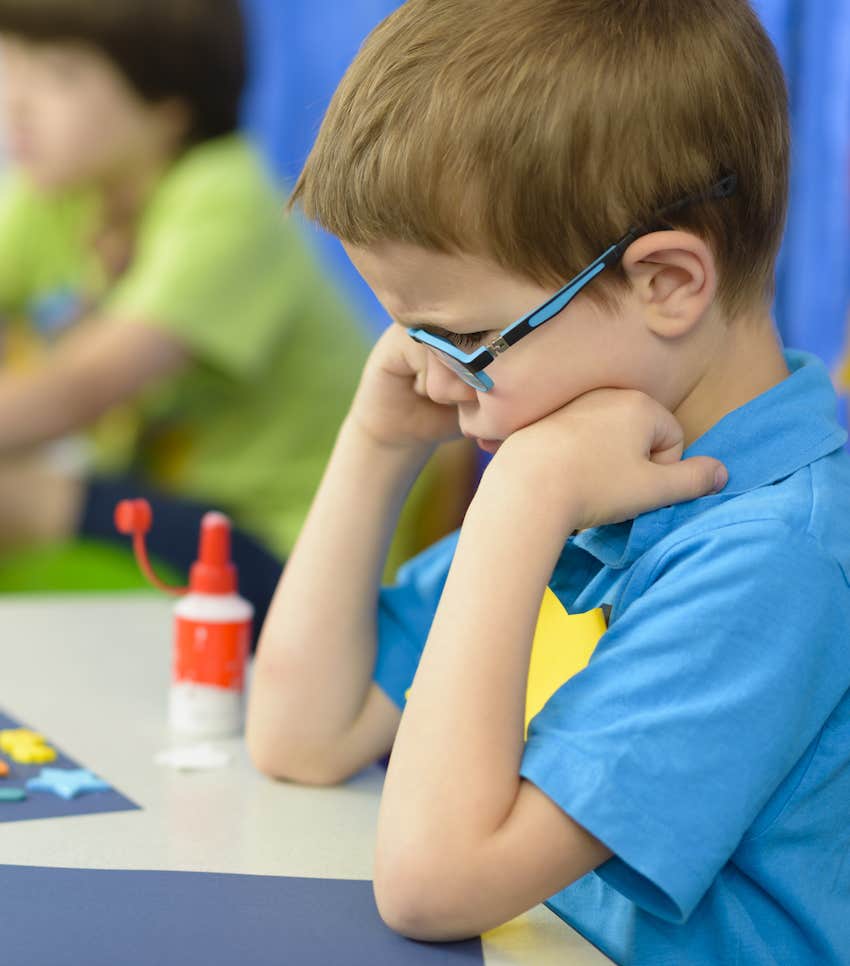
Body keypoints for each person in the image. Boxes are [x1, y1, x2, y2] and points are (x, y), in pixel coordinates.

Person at [245, 1, 850, 962]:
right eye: (411, 332)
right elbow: (303, 734)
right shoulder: (606, 477)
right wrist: (374, 445)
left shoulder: (773, 561)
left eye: (471, 340)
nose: (433, 379)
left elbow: (431, 885)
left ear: (666, 285)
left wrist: (517, 501)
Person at [0, 0, 372, 633]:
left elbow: (82, 388)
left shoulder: (223, 199)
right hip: (156, 519)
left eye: (59, 74)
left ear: (167, 107)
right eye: (12, 65)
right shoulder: (63, 196)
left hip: (283, 554)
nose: (17, 101)